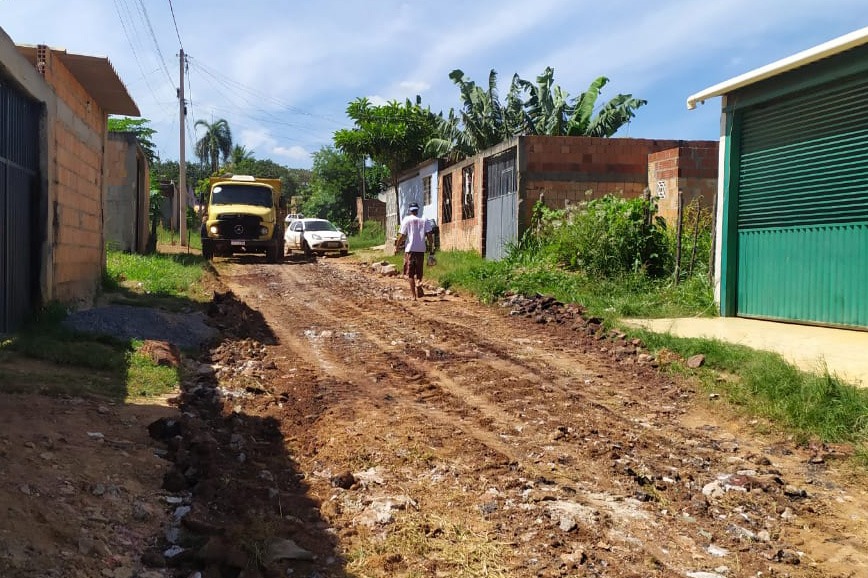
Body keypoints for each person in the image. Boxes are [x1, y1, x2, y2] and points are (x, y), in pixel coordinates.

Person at [395, 202, 434, 300]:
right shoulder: (424, 219)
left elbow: (402, 236)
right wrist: (431, 246)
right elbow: (429, 234)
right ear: (418, 209)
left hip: (410, 250)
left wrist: (397, 247)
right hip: (421, 249)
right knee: (419, 271)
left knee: (410, 273)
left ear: (410, 210)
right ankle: (418, 283)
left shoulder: (407, 220)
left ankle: (413, 296)